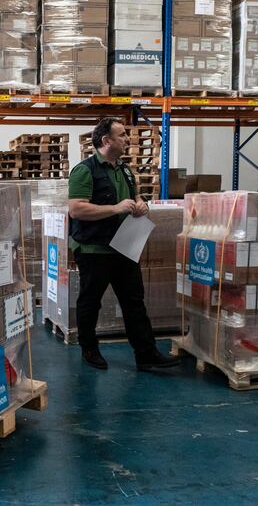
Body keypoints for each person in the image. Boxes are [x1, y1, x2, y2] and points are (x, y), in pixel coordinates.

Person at [68, 117, 181, 371]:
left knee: (134, 301)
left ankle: (146, 354)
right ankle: (89, 348)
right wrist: (115, 208)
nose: (127, 139)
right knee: (90, 301)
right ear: (106, 140)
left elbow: (136, 197)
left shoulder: (126, 170)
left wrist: (141, 204)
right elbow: (76, 209)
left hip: (125, 246)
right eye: (121, 135)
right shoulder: (85, 170)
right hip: (94, 249)